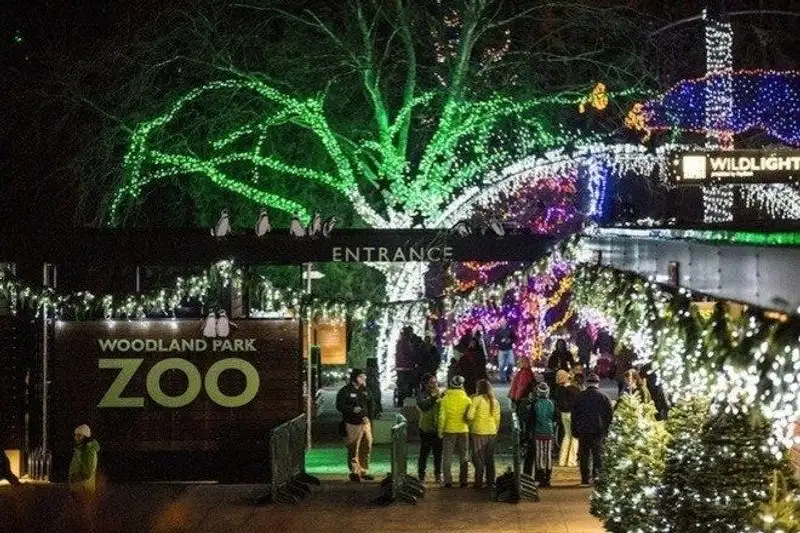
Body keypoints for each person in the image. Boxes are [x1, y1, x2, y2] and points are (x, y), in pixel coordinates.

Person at [571, 373, 613, 486]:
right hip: (598, 431)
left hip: (583, 430)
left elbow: (574, 415)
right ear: (597, 383)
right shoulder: (603, 397)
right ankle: (596, 477)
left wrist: (574, 430)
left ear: (587, 383)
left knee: (584, 455)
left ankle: (584, 479)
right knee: (597, 455)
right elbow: (609, 415)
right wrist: (607, 429)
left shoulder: (579, 397)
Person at [336, 369, 376, 482]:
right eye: (361, 377)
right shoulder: (345, 391)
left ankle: (363, 470)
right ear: (355, 378)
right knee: (353, 447)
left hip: (365, 423)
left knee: (367, 445)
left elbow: (372, 403)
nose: (364, 379)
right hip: (352, 423)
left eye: (364, 377)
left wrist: (369, 417)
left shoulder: (366, 390)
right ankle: (354, 472)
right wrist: (352, 409)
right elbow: (339, 406)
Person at [437, 375, 472, 488]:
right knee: (464, 455)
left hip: (449, 430)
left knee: (447, 456)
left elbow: (442, 417)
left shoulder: (445, 399)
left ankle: (448, 481)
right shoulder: (467, 399)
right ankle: (463, 480)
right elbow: (469, 416)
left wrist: (440, 431)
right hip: (463, 430)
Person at [466, 379, 500, 489]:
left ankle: (478, 482)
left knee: (478, 458)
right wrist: (495, 430)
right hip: (491, 431)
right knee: (489, 458)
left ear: (478, 388)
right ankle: (490, 481)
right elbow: (497, 418)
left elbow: (469, 416)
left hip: (478, 432)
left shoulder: (476, 399)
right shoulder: (495, 401)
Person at [523, 382, 557, 487]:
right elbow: (556, 419)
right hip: (549, 432)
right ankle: (548, 477)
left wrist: (528, 433)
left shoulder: (535, 404)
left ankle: (541, 476)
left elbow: (530, 421)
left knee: (539, 455)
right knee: (548, 455)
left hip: (538, 433)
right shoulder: (552, 403)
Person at [416, 373, 443, 483]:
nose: (434, 384)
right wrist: (433, 397)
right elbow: (424, 407)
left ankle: (438, 474)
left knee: (438, 454)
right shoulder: (421, 394)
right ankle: (421, 475)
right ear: (425, 384)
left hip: (438, 427)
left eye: (435, 382)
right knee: (424, 453)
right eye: (431, 382)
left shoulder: (440, 393)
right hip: (426, 427)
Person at [554, 373, 581, 467]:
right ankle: (571, 461)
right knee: (575, 437)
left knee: (567, 436)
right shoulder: (574, 390)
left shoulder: (558, 390)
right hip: (573, 414)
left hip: (563, 414)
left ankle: (562, 460)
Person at [69, 424, 100, 496]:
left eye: (79, 435)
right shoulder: (80, 449)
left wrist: (76, 477)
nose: (76, 437)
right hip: (77, 489)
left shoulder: (89, 450)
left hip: (84, 490)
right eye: (76, 435)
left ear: (85, 436)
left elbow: (89, 470)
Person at [493, 318, 516, 383]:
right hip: (501, 350)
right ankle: (503, 379)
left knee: (511, 363)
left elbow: (514, 338)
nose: (503, 323)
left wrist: (510, 340)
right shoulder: (498, 331)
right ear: (500, 323)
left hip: (509, 349)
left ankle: (508, 375)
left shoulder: (510, 330)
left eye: (504, 321)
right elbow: (495, 341)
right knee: (501, 365)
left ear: (506, 322)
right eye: (501, 322)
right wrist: (501, 341)